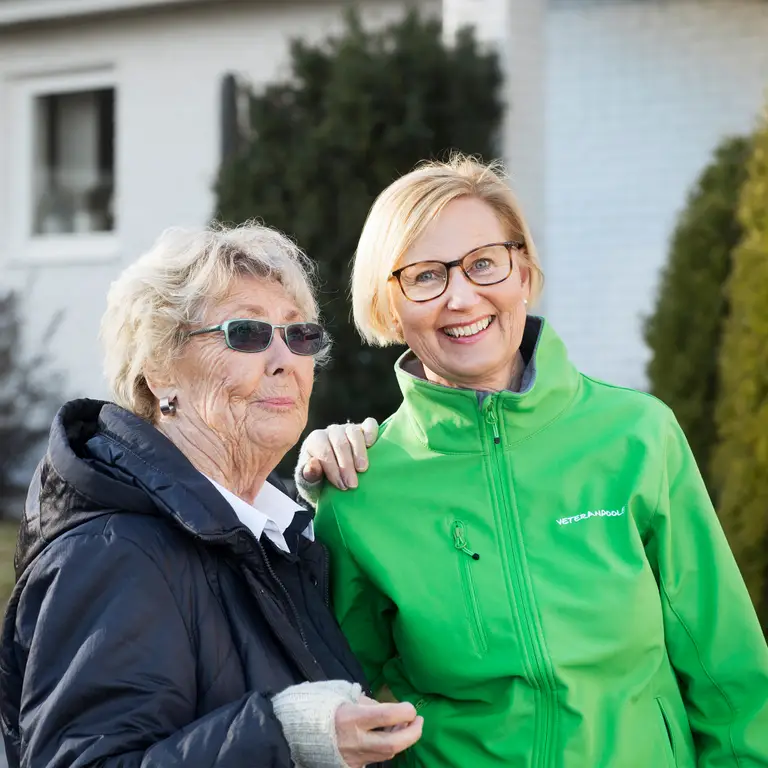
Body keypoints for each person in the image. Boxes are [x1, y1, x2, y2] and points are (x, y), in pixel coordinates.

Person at [295, 156, 768, 767]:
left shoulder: (637, 436)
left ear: (523, 270)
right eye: (424, 276)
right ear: (390, 306)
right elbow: (348, 708)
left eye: (484, 263)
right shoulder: (359, 488)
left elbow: (724, 666)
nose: (462, 298)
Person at [0, 223, 423, 768]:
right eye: (246, 333)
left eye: (299, 336)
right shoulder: (113, 553)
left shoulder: (274, 537)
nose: (284, 360)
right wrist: (285, 735)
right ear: (159, 370)